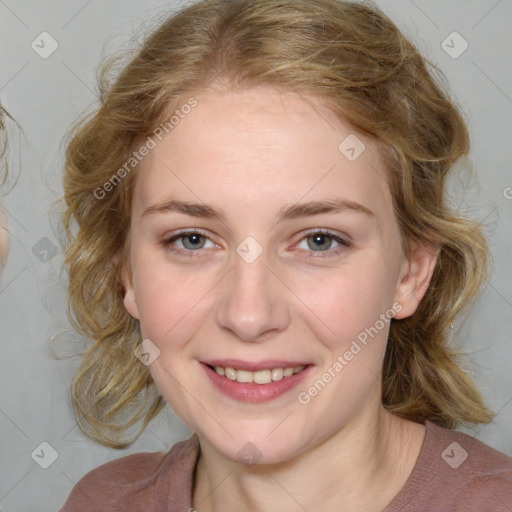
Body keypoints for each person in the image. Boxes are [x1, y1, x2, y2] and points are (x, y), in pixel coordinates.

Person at [58, 0, 512, 510]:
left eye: (320, 240)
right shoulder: (103, 500)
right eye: (192, 240)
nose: (249, 315)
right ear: (126, 273)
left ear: (411, 272)